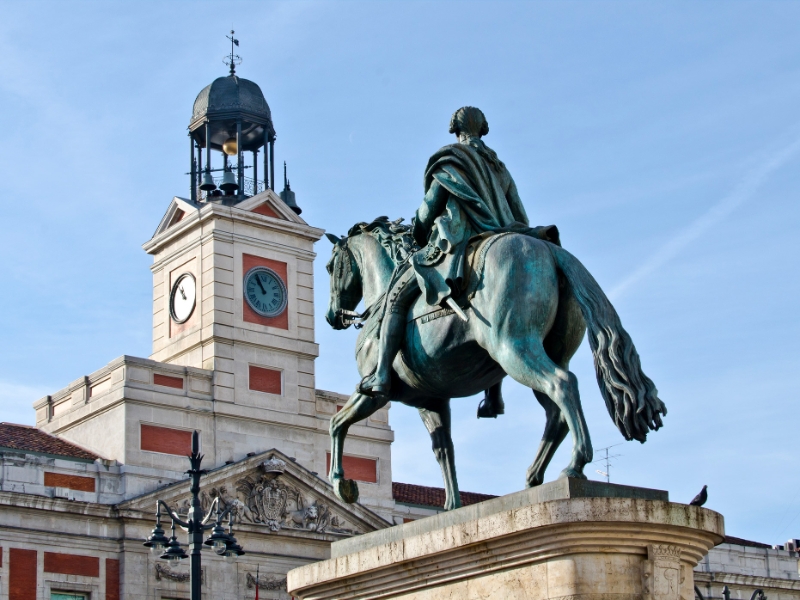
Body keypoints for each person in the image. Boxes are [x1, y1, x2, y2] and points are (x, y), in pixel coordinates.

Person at [358, 107, 533, 417]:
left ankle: (382, 373)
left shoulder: (451, 160)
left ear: (455, 130)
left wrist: (419, 231)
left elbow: (429, 209)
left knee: (395, 298)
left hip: (455, 243)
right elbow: (520, 217)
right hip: (501, 237)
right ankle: (494, 395)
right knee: (499, 308)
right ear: (483, 129)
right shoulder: (499, 167)